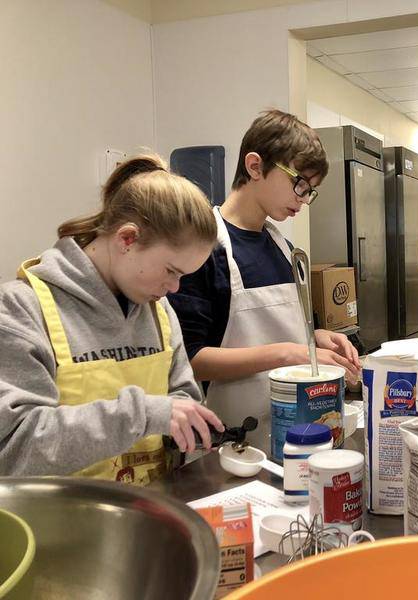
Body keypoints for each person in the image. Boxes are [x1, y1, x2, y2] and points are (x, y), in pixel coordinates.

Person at [0, 155, 224, 483]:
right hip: (59, 526)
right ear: (127, 239)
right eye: (171, 271)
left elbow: (181, 397)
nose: (174, 288)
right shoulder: (23, 309)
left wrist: (189, 424)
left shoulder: (160, 311)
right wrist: (143, 414)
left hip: (149, 516)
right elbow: (14, 452)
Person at [168, 109, 360, 450]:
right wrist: (288, 354)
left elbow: (285, 332)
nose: (303, 199)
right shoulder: (205, 250)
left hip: (296, 435)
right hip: (232, 445)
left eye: (310, 191)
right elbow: (191, 361)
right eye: (299, 183)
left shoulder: (283, 249)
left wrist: (316, 341)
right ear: (255, 166)